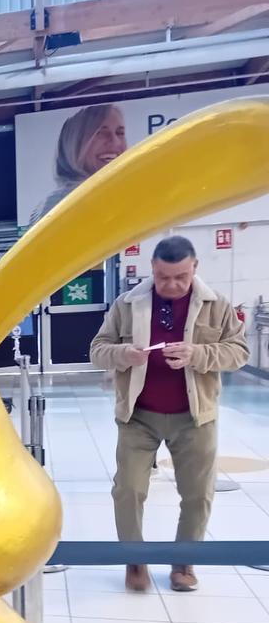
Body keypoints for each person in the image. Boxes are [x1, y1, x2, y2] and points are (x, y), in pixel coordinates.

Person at [89, 236, 249, 593]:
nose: (172, 285)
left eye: (181, 276)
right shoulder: (127, 304)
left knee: (198, 494)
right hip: (138, 416)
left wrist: (197, 354)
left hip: (194, 417)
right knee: (127, 490)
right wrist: (123, 355)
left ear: (195, 269)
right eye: (164, 277)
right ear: (152, 269)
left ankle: (184, 562)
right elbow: (98, 350)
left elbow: (238, 353)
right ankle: (134, 558)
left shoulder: (215, 305)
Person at [30, 104, 127, 225]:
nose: (115, 141)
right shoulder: (61, 204)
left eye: (120, 133)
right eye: (100, 133)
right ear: (75, 142)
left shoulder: (113, 199)